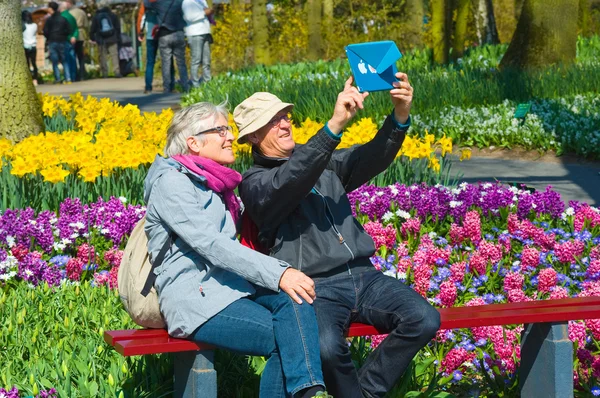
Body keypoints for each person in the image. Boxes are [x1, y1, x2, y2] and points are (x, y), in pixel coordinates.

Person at [235, 74, 441, 398]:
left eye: (285, 116)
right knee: (327, 348)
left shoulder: (322, 161)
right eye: (273, 121)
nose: (286, 124)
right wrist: (333, 127)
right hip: (317, 287)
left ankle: (366, 393)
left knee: (424, 318)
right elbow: (290, 181)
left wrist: (399, 117)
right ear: (253, 136)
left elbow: (370, 156)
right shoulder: (255, 183)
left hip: (365, 276)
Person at [144, 101, 326, 398]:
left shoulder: (215, 183)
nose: (230, 136)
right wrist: (280, 273)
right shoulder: (172, 183)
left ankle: (310, 390)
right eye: (220, 130)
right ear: (193, 143)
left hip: (227, 288)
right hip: (196, 299)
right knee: (287, 339)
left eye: (228, 128)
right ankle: (309, 392)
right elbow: (212, 245)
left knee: (295, 298)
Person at [144, 0, 189, 93]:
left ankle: (167, 88)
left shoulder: (159, 3)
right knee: (181, 63)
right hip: (179, 33)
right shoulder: (179, 2)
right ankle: (185, 87)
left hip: (164, 35)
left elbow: (146, 3)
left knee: (166, 62)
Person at [182, 0, 213, 87]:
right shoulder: (187, 2)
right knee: (196, 60)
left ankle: (208, 83)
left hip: (205, 32)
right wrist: (203, 13)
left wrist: (209, 12)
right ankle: (195, 84)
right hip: (195, 33)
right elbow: (188, 17)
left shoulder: (202, 1)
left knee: (206, 61)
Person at [90, 1, 122, 78]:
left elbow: (92, 29)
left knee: (103, 56)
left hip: (101, 39)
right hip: (112, 38)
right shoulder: (113, 15)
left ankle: (105, 73)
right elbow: (118, 27)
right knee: (114, 55)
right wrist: (117, 37)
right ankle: (116, 71)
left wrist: (93, 38)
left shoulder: (96, 16)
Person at [43, 1, 73, 84]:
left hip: (52, 41)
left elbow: (45, 31)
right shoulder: (63, 19)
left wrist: (49, 37)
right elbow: (69, 30)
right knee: (65, 60)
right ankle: (68, 78)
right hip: (62, 40)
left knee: (55, 61)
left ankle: (58, 78)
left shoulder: (49, 20)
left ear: (51, 9)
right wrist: (64, 35)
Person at [65, 0, 89, 81]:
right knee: (81, 56)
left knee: (72, 56)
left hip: (71, 35)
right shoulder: (82, 12)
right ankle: (82, 74)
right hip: (81, 34)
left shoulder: (69, 13)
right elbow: (86, 24)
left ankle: (75, 75)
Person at [58, 1, 78, 83]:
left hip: (64, 40)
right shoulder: (71, 16)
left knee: (66, 60)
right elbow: (76, 28)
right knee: (72, 58)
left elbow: (63, 30)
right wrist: (74, 36)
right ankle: (74, 76)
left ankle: (68, 76)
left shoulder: (61, 17)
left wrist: (69, 37)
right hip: (72, 40)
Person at [22, 10, 39, 85]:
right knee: (34, 63)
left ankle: (28, 79)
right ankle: (35, 79)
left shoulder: (22, 26)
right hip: (33, 46)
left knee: (27, 64)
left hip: (25, 46)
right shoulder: (34, 25)